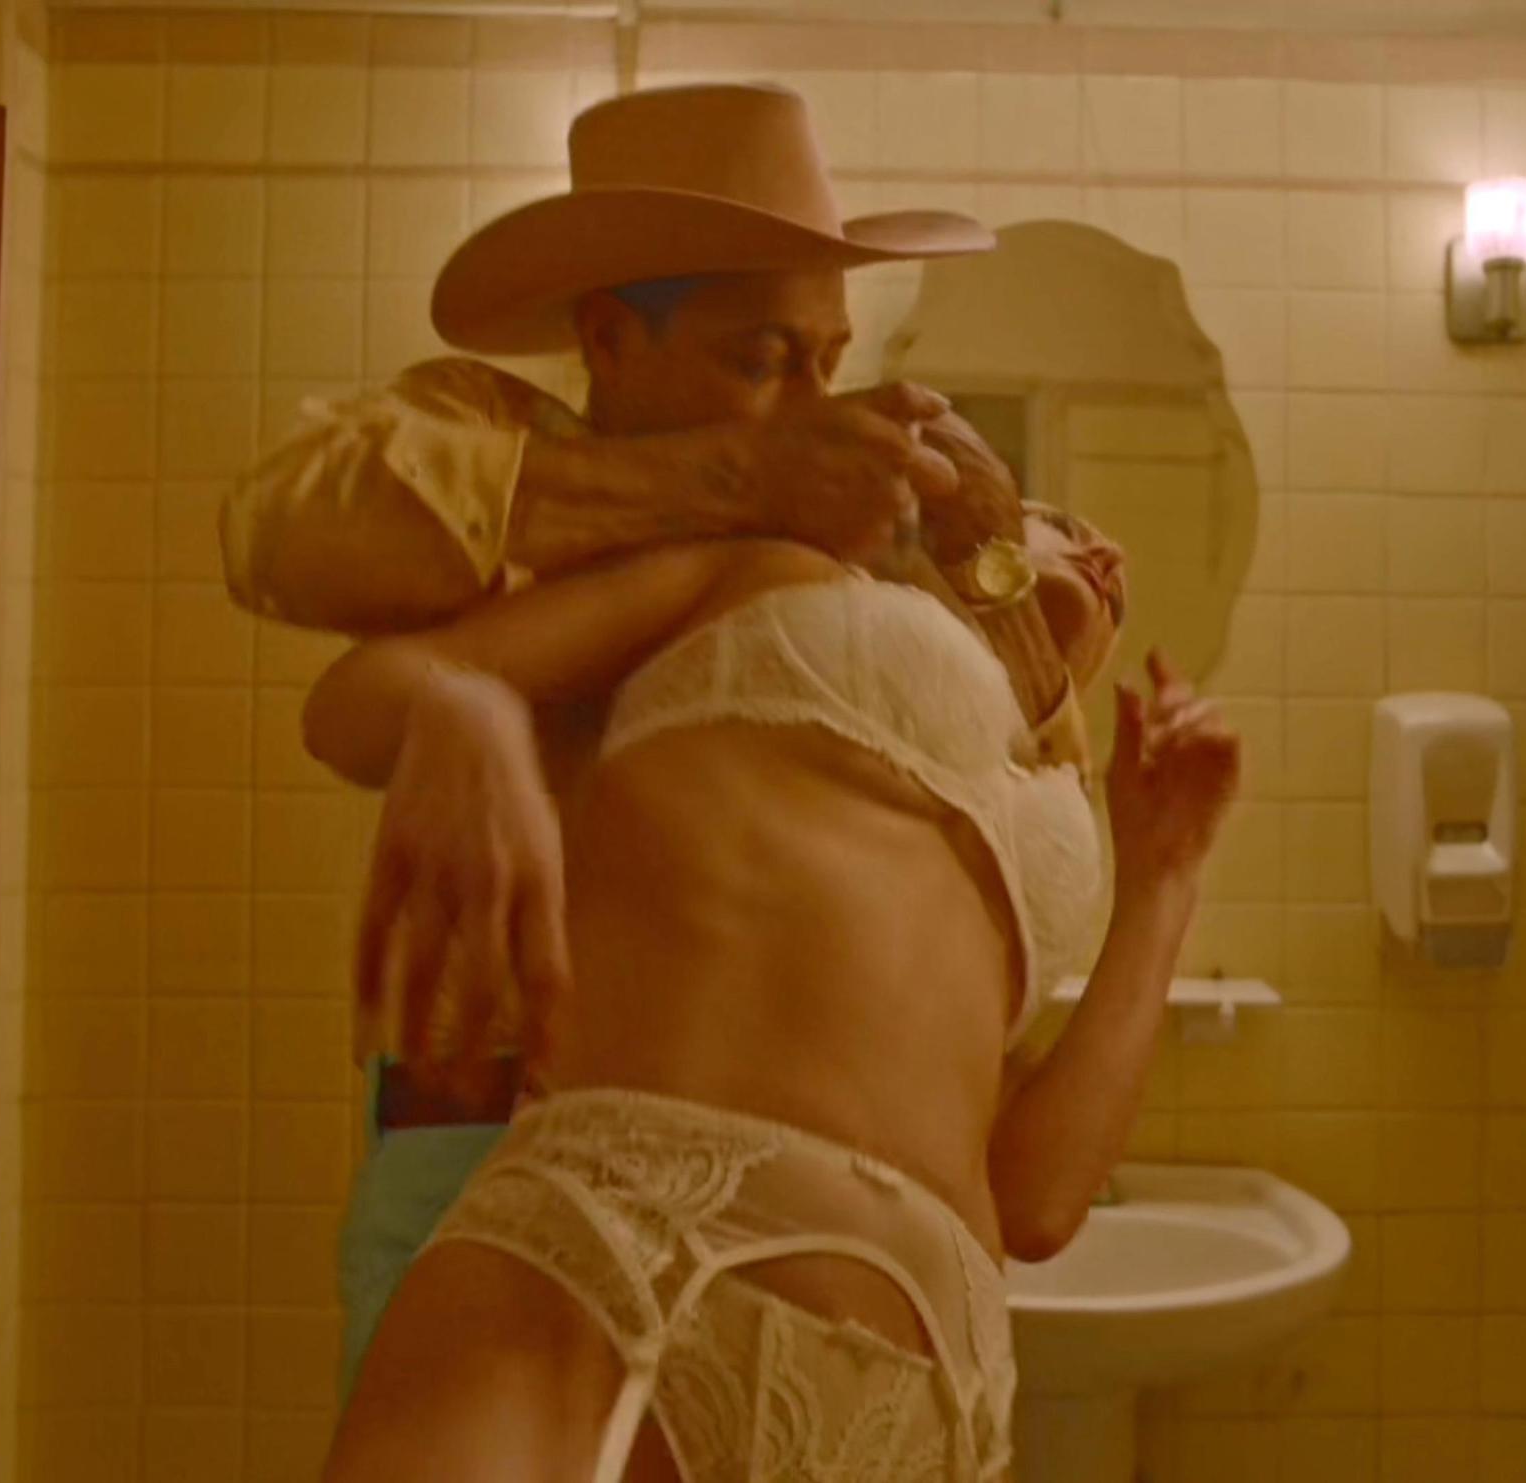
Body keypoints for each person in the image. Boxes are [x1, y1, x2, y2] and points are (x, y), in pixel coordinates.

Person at [222, 81, 1096, 1398]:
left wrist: (996, 582)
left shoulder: (824, 548)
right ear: (609, 338)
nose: (806, 401)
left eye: (826, 359)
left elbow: (983, 830)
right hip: (485, 1143)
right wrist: (732, 491)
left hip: (764, 1206)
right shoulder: (492, 441)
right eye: (760, 358)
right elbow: (280, 537)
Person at [300, 499, 1235, 1481]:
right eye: (1061, 521)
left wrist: (1163, 878)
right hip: (623, 1237)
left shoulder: (1038, 800)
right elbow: (356, 702)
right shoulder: (769, 571)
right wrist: (470, 710)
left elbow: (1036, 1200)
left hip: (913, 1374)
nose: (1107, 550)